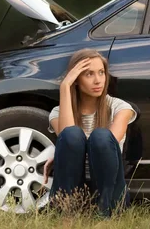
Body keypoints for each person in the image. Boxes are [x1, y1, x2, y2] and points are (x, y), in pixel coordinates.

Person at [43, 48, 137, 216]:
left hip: (109, 192)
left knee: (101, 135)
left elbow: (107, 146)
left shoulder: (121, 108)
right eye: (89, 74)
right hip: (74, 190)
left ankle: (104, 213)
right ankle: (68, 210)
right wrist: (65, 87)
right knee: (72, 134)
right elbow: (68, 138)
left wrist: (58, 155)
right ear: (76, 80)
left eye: (101, 73)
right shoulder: (57, 113)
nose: (98, 80)